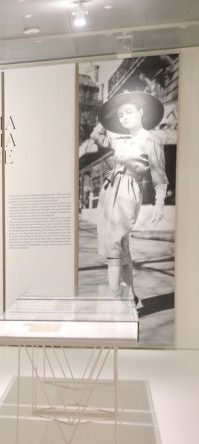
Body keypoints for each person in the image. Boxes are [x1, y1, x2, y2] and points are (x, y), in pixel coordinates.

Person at [90, 91, 167, 305]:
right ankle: (130, 298)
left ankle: (115, 301)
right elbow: (95, 136)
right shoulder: (121, 140)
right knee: (120, 244)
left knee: (115, 243)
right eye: (121, 115)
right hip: (110, 190)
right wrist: (105, 118)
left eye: (129, 112)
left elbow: (159, 175)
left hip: (128, 190)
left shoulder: (150, 139)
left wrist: (159, 204)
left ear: (141, 112)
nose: (124, 117)